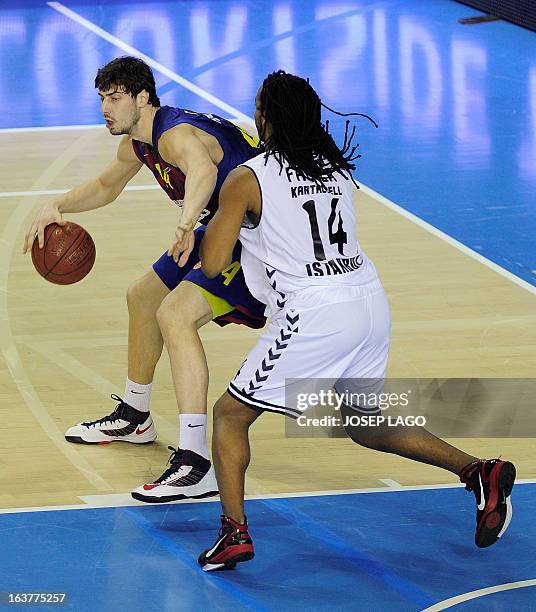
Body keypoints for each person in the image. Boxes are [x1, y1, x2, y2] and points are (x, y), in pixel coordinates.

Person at [196, 70, 516, 571]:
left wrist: (213, 221)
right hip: (368, 302)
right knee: (365, 422)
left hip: (318, 311)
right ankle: (478, 472)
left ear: (265, 117)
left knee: (231, 415)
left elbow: (213, 265)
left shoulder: (247, 178)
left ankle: (234, 533)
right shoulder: (335, 168)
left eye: (257, 106)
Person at [22, 56, 266, 503]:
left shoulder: (172, 134)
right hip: (221, 229)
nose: (105, 108)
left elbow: (205, 170)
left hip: (260, 240)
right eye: (102, 98)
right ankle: (136, 416)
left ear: (142, 98)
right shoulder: (139, 141)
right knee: (142, 297)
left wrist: (185, 225)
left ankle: (196, 462)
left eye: (115, 98)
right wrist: (57, 205)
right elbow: (105, 186)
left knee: (174, 316)